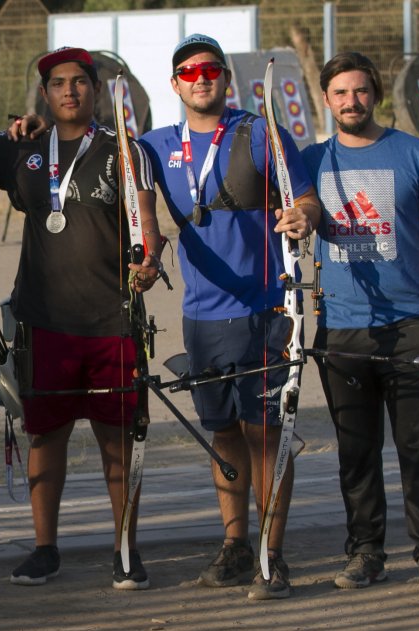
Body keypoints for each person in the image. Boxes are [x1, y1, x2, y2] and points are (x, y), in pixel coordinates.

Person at [0, 47, 165, 589]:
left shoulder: (125, 150)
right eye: (58, 83)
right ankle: (43, 548)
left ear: (96, 90)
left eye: (80, 82)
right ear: (44, 93)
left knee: (118, 439)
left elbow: (147, 221)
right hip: (43, 323)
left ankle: (125, 549)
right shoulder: (24, 148)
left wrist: (149, 260)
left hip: (112, 321)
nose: (70, 92)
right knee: (45, 437)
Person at [138, 34, 320, 600]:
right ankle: (236, 544)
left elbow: (307, 198)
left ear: (225, 77)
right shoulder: (152, 146)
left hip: (267, 311)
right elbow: (111, 171)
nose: (201, 78)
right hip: (202, 318)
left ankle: (272, 551)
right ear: (175, 84)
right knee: (223, 437)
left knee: (269, 435)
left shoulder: (260, 132)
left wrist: (302, 217)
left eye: (211, 69)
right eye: (189, 72)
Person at [301, 52, 419, 595]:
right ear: (326, 99)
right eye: (341, 92)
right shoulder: (310, 161)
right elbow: (300, 214)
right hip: (341, 328)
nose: (352, 101)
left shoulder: (415, 154)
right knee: (356, 451)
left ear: (377, 95)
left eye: (361, 91)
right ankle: (366, 553)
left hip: (412, 323)